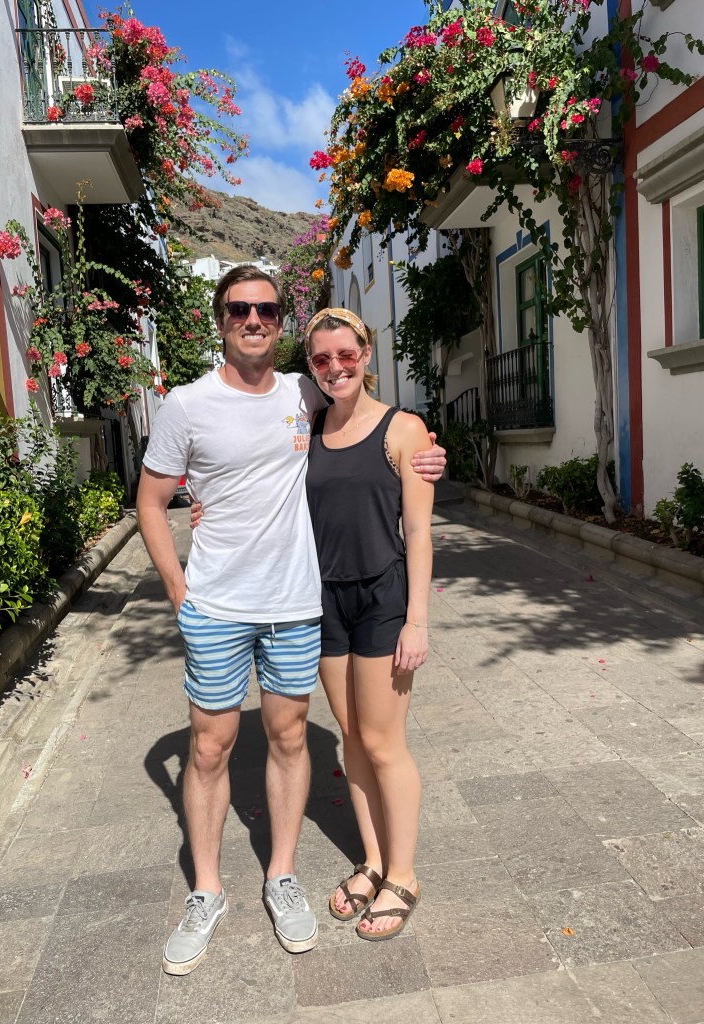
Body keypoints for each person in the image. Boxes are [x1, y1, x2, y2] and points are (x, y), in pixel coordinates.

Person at [136, 266, 444, 975]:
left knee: (300, 737)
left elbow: (391, 460)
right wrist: (179, 590)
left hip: (302, 605)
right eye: (239, 309)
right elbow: (153, 500)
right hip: (231, 605)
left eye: (268, 310)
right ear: (220, 319)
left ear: (281, 322)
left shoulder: (305, 394)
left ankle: (300, 875)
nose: (254, 319)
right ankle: (209, 891)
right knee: (213, 747)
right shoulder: (193, 403)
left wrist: (426, 456)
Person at [303, 308, 432, 940]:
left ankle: (403, 875)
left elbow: (420, 533)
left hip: (384, 596)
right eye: (322, 359)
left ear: (366, 354)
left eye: (345, 354)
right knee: (351, 737)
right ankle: (373, 861)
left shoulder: (403, 429)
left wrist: (418, 621)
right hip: (324, 599)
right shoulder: (308, 428)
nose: (336, 368)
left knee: (384, 742)